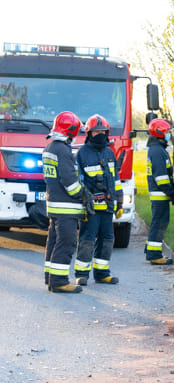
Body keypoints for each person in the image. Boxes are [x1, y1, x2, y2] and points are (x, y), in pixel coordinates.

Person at [43, 111, 89, 293]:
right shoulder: (63, 150)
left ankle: (50, 277)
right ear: (70, 131)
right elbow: (70, 181)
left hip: (54, 204)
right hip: (66, 207)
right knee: (67, 242)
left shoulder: (50, 148)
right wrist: (83, 195)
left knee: (53, 241)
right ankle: (60, 281)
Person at [73, 115, 122, 285]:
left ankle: (102, 273)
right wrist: (85, 199)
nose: (100, 134)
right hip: (91, 207)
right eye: (96, 131)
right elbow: (80, 180)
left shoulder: (109, 152)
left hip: (108, 206)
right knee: (87, 239)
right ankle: (82, 274)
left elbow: (115, 178)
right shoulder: (82, 153)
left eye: (102, 131)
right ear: (89, 133)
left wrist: (120, 199)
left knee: (107, 239)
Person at [145, 118, 174, 264]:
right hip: (160, 194)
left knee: (157, 222)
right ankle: (154, 255)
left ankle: (150, 248)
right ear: (160, 133)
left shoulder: (156, 149)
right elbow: (161, 178)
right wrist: (171, 192)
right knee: (160, 223)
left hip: (159, 194)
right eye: (167, 132)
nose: (169, 135)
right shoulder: (158, 151)